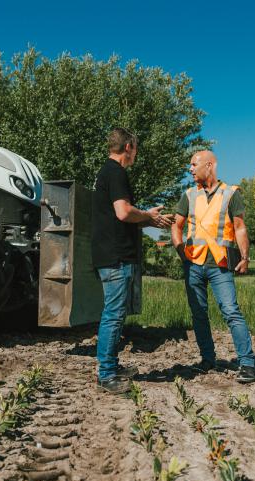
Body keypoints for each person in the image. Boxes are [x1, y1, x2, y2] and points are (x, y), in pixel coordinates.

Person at [91, 128, 173, 393]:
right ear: (128, 147)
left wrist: (148, 218)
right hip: (116, 257)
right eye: (135, 148)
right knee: (113, 315)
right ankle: (106, 374)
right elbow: (124, 212)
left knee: (114, 314)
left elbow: (120, 215)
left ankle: (111, 367)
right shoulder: (116, 173)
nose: (136, 154)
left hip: (110, 254)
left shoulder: (105, 172)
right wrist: (148, 216)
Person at [171, 150, 255, 383]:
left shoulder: (231, 194)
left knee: (231, 311)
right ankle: (208, 360)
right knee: (199, 314)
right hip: (193, 265)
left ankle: (247, 364)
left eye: (193, 164)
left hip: (220, 265)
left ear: (209, 165)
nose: (190, 169)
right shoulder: (188, 195)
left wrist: (245, 256)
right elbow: (176, 226)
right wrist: (181, 250)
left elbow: (240, 228)